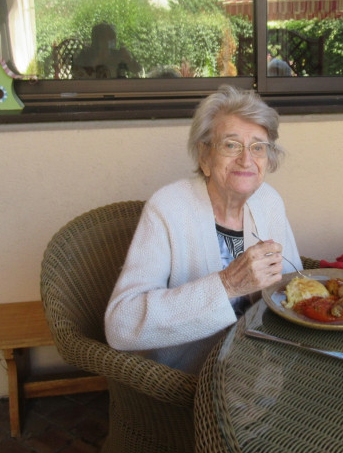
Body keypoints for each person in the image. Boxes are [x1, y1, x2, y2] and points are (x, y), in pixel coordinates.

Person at [105, 84, 302, 374]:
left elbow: (292, 287)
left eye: (258, 147)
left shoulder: (268, 202)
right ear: (205, 156)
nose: (246, 160)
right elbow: (121, 325)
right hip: (190, 375)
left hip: (264, 368)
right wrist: (227, 285)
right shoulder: (168, 209)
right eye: (231, 145)